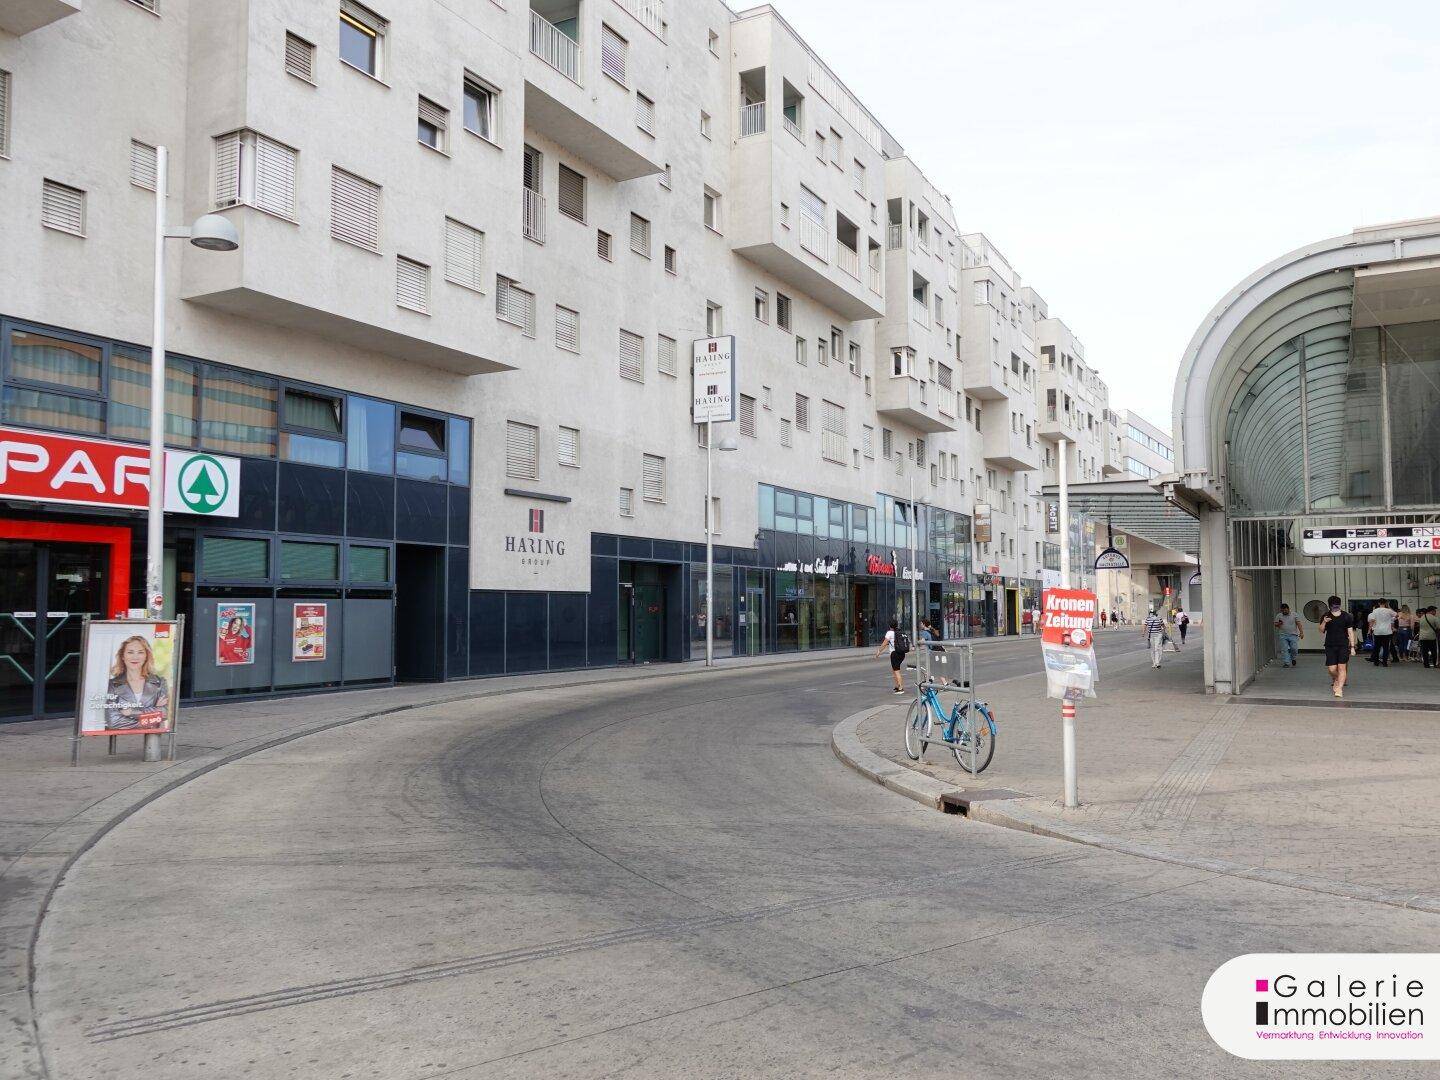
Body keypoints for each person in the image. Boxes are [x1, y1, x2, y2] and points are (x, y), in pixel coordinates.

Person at [105, 635, 170, 729]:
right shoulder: (112, 685)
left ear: (146, 656)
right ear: (123, 656)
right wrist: (152, 716)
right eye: (130, 652)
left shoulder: (159, 682)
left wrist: (131, 712)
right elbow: (113, 721)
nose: (135, 657)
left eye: (140, 652)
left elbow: (165, 713)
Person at [1320, 595, 1357, 698]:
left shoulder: (1346, 616)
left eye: (1337, 605)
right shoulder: (1326, 616)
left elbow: (1350, 631)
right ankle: (1337, 679)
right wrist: (1324, 622)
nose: (1335, 607)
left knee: (1342, 667)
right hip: (1330, 645)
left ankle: (1339, 689)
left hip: (1343, 645)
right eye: (1333, 605)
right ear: (1329, 606)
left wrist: (1352, 647)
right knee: (1331, 669)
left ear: (1340, 605)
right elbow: (1321, 630)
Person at [874, 618, 909, 694]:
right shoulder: (900, 631)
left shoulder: (889, 633)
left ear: (890, 625)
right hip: (901, 653)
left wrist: (879, 652)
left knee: (896, 671)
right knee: (895, 670)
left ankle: (900, 688)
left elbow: (884, 643)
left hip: (894, 653)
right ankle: (897, 686)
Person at [1367, 599, 1395, 667]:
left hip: (1377, 631)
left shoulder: (1375, 611)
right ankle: (1384, 662)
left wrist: (1369, 630)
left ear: (1379, 603)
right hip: (1387, 632)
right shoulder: (1389, 611)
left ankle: (1376, 662)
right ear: (1386, 603)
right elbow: (1396, 615)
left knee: (1377, 647)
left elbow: (1372, 620)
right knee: (1386, 648)